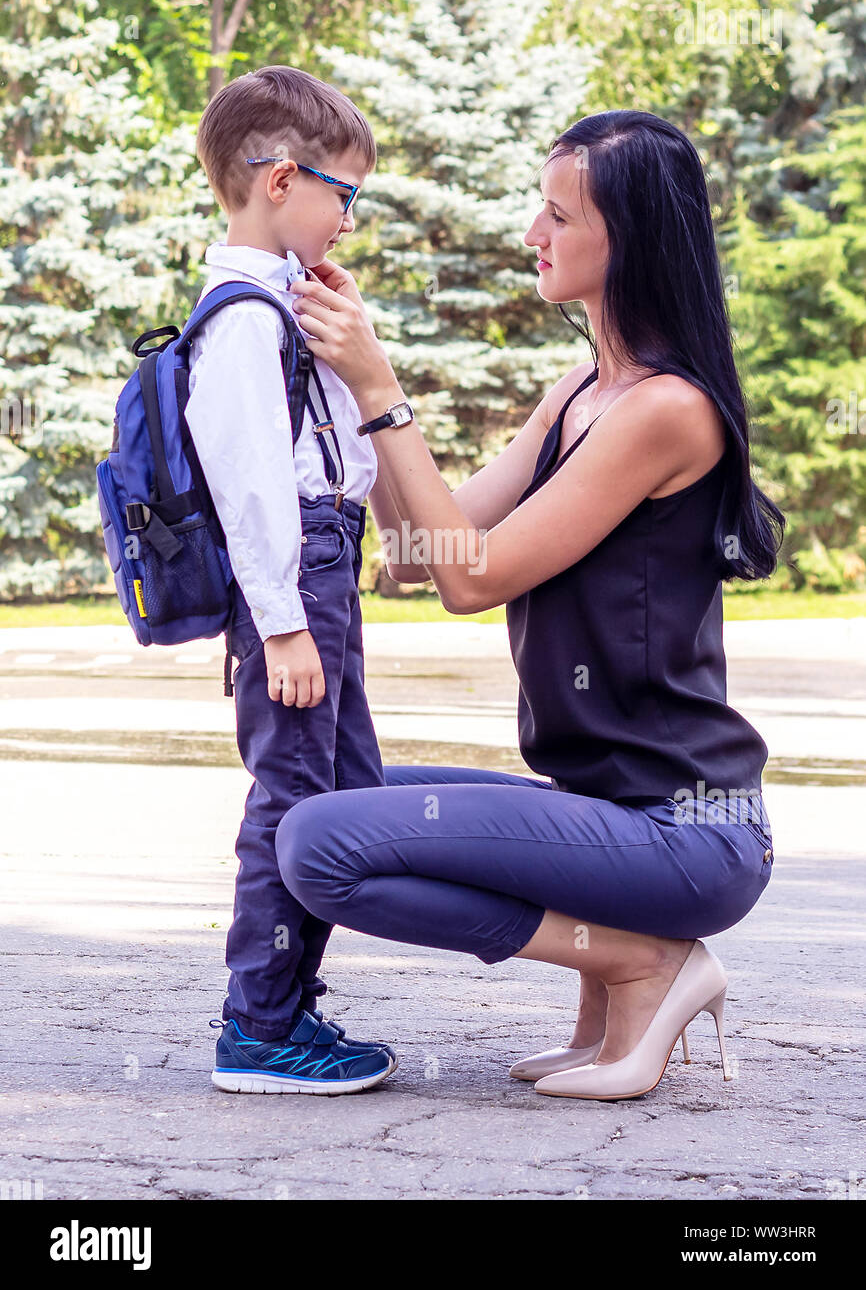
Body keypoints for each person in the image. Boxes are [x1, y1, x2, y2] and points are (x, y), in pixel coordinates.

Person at [275, 109, 786, 1102]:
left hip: (687, 829)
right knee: (329, 785)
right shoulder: (580, 392)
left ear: (627, 239)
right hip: (602, 810)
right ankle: (617, 987)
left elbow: (469, 581)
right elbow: (417, 556)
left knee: (320, 843)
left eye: (555, 213)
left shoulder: (663, 411)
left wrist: (381, 388)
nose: (529, 233)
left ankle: (635, 964)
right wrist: (350, 391)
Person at [186, 65, 397, 1094]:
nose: (349, 218)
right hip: (292, 579)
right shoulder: (239, 316)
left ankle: (286, 1003)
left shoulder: (283, 302)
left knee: (343, 793)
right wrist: (280, 625)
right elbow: (252, 484)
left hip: (320, 565)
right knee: (292, 797)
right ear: (280, 181)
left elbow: (338, 458)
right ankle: (258, 1026)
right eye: (342, 194)